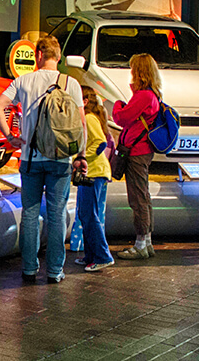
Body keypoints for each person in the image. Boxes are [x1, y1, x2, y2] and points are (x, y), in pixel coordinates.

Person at [0, 35, 87, 283]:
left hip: (30, 159)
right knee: (57, 216)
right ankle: (55, 271)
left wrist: (10, 136)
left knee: (31, 215)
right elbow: (81, 125)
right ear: (58, 57)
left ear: (38, 55)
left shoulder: (24, 81)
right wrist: (81, 155)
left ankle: (29, 268)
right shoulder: (71, 84)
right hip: (61, 159)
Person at [112, 53, 160, 260]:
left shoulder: (143, 96)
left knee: (138, 199)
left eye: (133, 69)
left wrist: (116, 104)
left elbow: (121, 118)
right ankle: (146, 242)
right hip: (143, 151)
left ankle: (140, 244)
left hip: (137, 152)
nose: (130, 72)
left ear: (139, 71)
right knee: (144, 197)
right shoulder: (152, 94)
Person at [75, 86, 115, 272]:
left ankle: (102, 256)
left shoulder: (89, 118)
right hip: (91, 172)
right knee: (86, 214)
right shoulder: (89, 117)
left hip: (94, 172)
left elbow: (100, 142)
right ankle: (92, 255)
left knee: (89, 214)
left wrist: (81, 158)